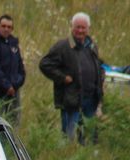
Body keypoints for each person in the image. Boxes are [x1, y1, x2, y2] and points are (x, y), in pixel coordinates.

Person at [39, 12, 104, 144]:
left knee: (89, 135)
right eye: (77, 27)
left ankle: (88, 159)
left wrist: (100, 79)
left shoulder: (92, 46)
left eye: (83, 27)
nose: (80, 30)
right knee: (70, 136)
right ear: (72, 27)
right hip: (71, 99)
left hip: (91, 99)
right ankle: (67, 158)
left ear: (88, 29)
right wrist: (63, 78)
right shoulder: (63, 46)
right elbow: (45, 64)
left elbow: (98, 65)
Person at [0, 14, 26, 126]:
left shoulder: (14, 44)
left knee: (13, 123)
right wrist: (7, 86)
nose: (6, 29)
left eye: (9, 27)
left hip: (13, 92)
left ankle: (9, 144)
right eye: (3, 26)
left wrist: (16, 84)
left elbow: (20, 68)